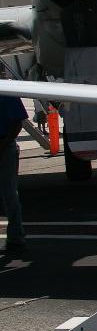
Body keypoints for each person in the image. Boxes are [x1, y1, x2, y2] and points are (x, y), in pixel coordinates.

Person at [0, 95, 27, 256]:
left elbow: (18, 123)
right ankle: (16, 236)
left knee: (9, 193)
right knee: (9, 193)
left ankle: (16, 236)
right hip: (5, 145)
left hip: (6, 146)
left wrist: (3, 145)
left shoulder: (7, 93)